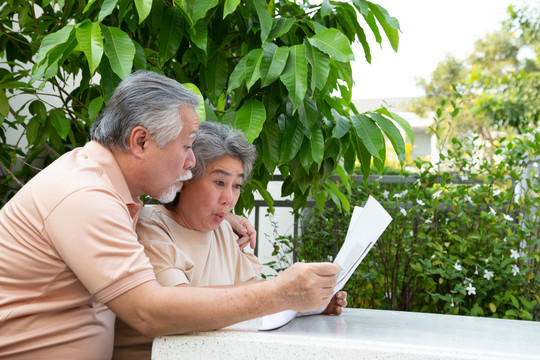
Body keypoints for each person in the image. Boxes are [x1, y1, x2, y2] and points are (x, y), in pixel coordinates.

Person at [0, 70, 340, 359]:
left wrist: (220, 218)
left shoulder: (107, 189)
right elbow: (149, 310)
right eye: (187, 145)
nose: (192, 163)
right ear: (140, 141)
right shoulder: (86, 195)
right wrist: (281, 292)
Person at [113, 121, 348, 359]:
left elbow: (253, 295)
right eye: (219, 182)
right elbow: (181, 310)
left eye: (236, 185)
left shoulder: (226, 231)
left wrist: (307, 302)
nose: (229, 198)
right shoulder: (151, 227)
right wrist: (281, 293)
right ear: (183, 179)